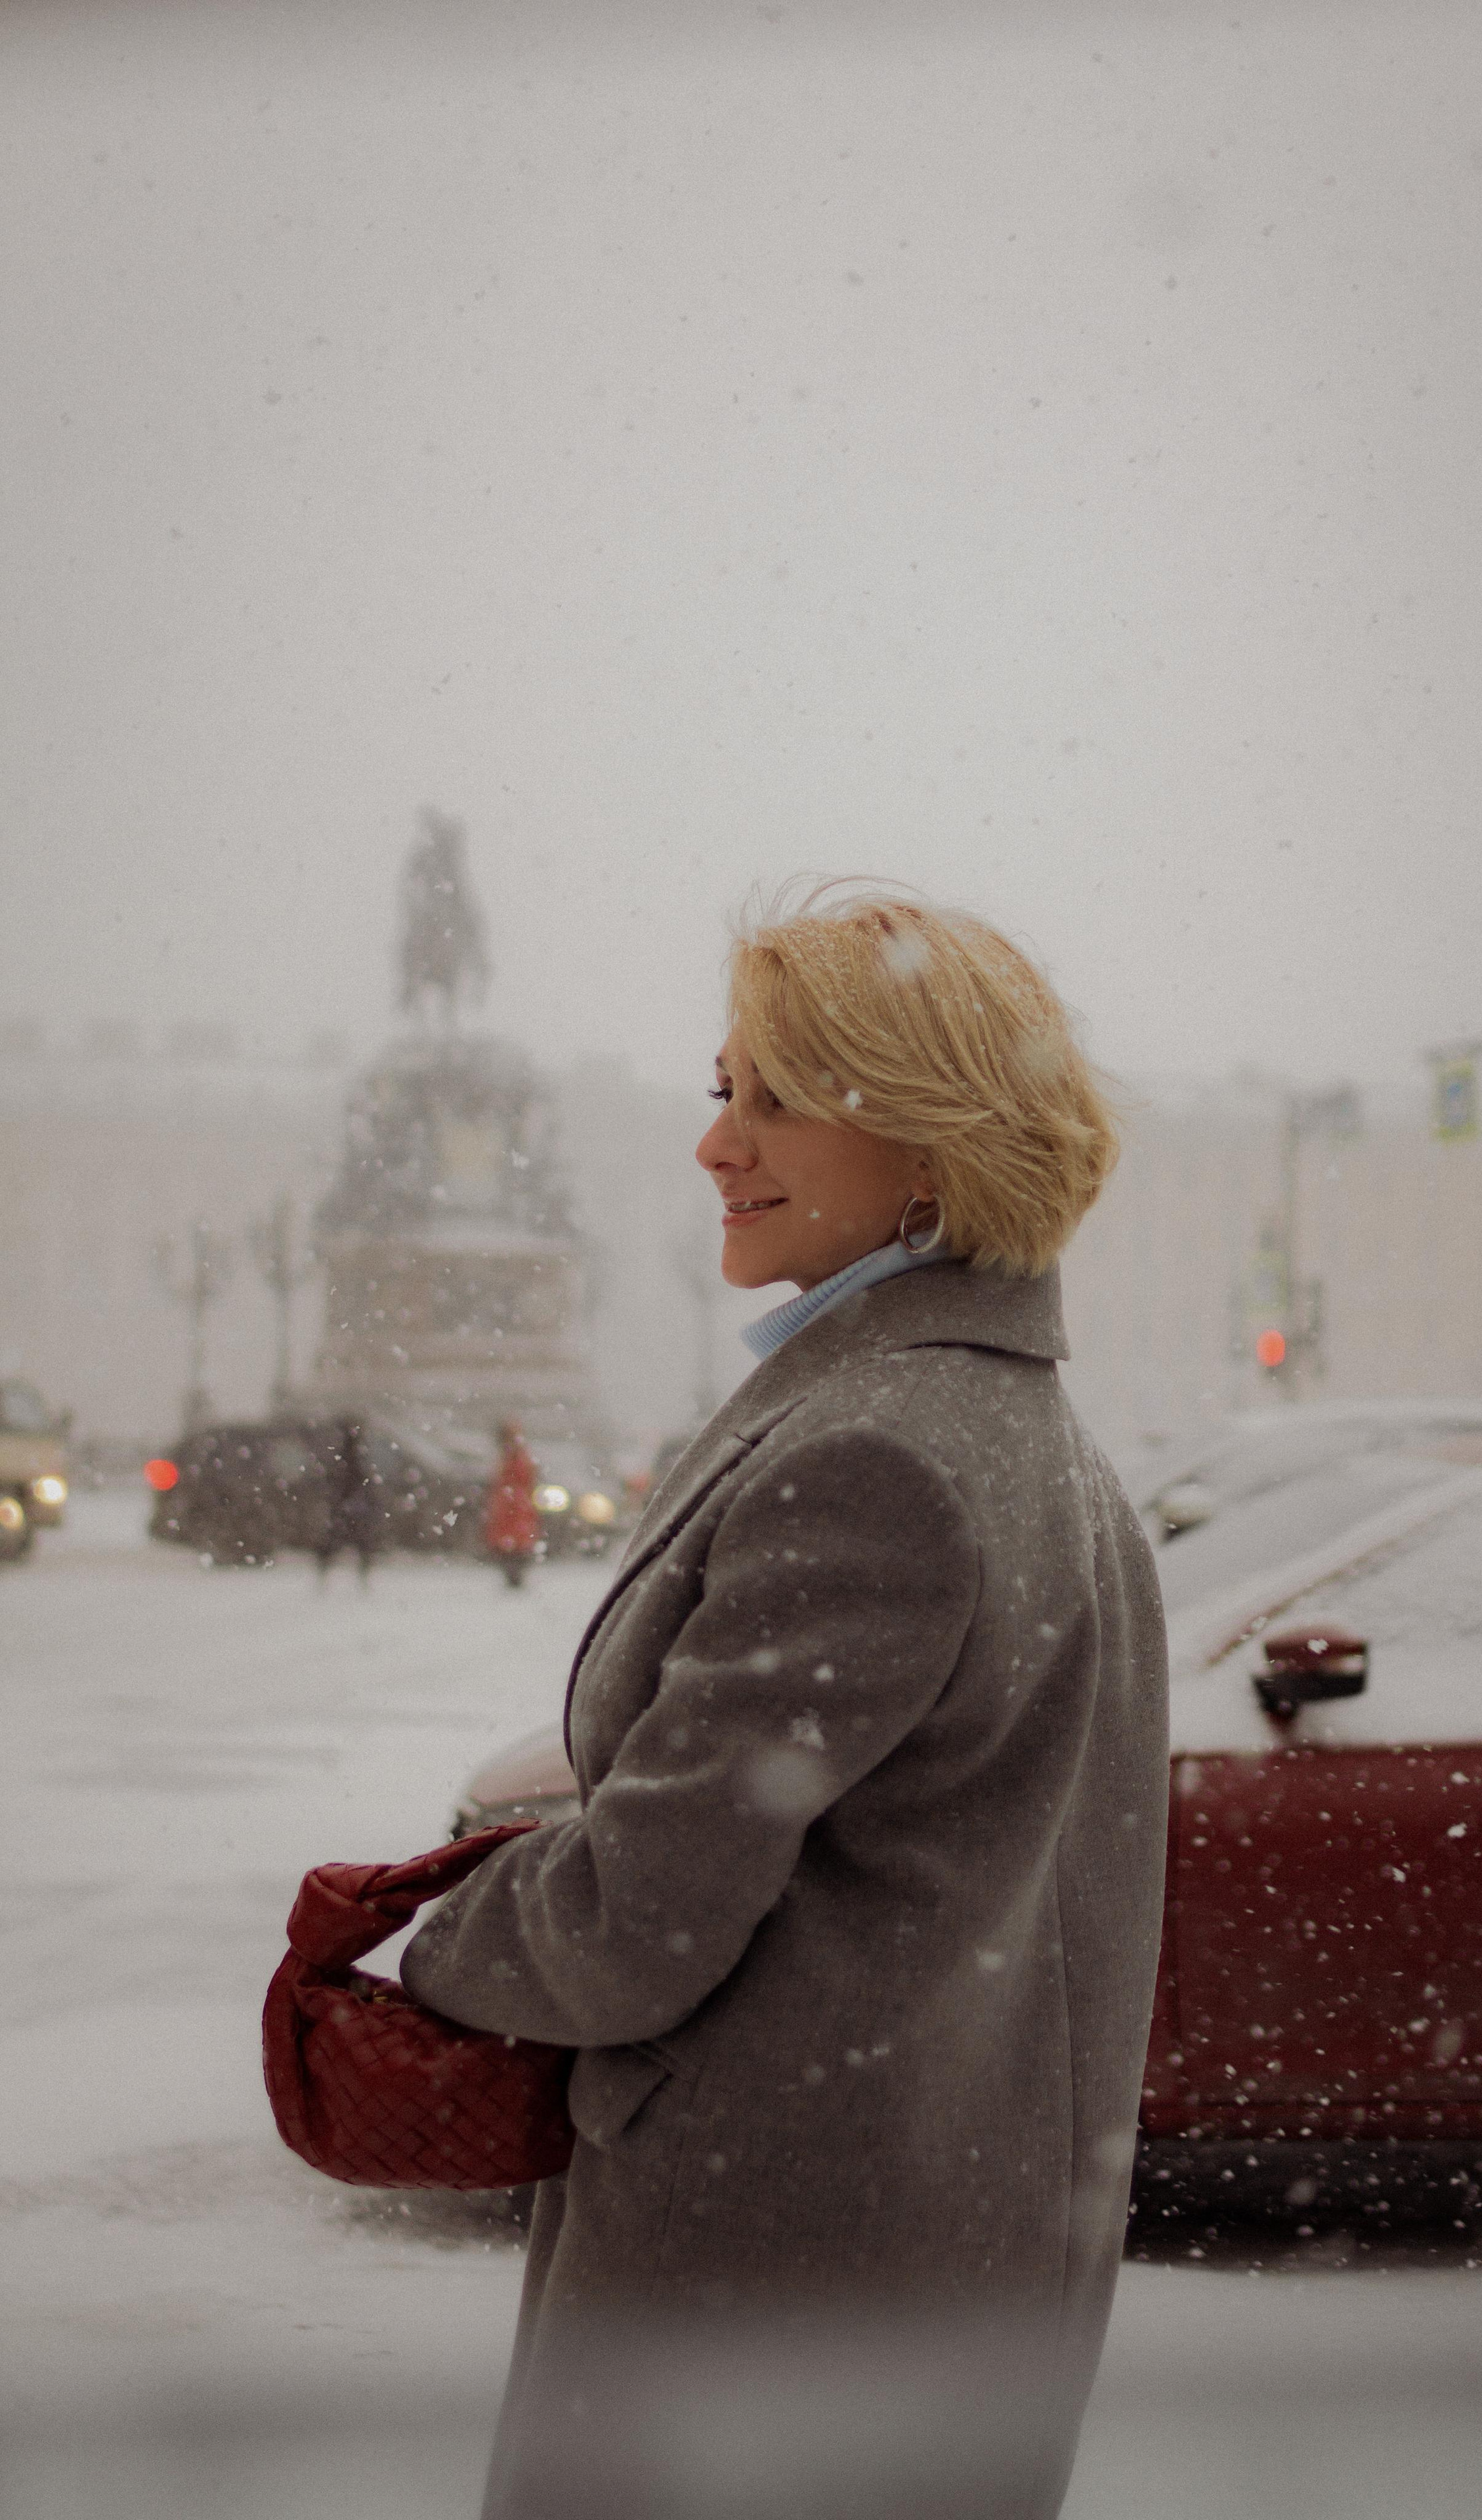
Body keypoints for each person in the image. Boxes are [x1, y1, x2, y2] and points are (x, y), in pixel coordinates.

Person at [401, 889, 1168, 2520]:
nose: (713, 1145)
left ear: (924, 1146)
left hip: (765, 2301)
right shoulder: (1027, 1439)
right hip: (924, 2271)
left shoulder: (873, 1456)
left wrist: (434, 1943)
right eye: (718, 1089)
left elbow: (634, 1915)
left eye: (772, 1099)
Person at [314, 1417, 381, 1584]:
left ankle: (324, 1575)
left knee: (334, 1543)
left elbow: (336, 1482)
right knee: (360, 1543)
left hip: (345, 1506)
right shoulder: (357, 1458)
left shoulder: (344, 1459)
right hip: (352, 1506)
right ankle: (361, 1577)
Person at [484, 1421, 541, 1588]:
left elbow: (522, 1479)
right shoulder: (512, 1457)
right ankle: (513, 1574)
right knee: (513, 1543)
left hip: (514, 1507)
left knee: (514, 1544)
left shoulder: (516, 1458)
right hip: (511, 1507)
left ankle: (514, 1575)